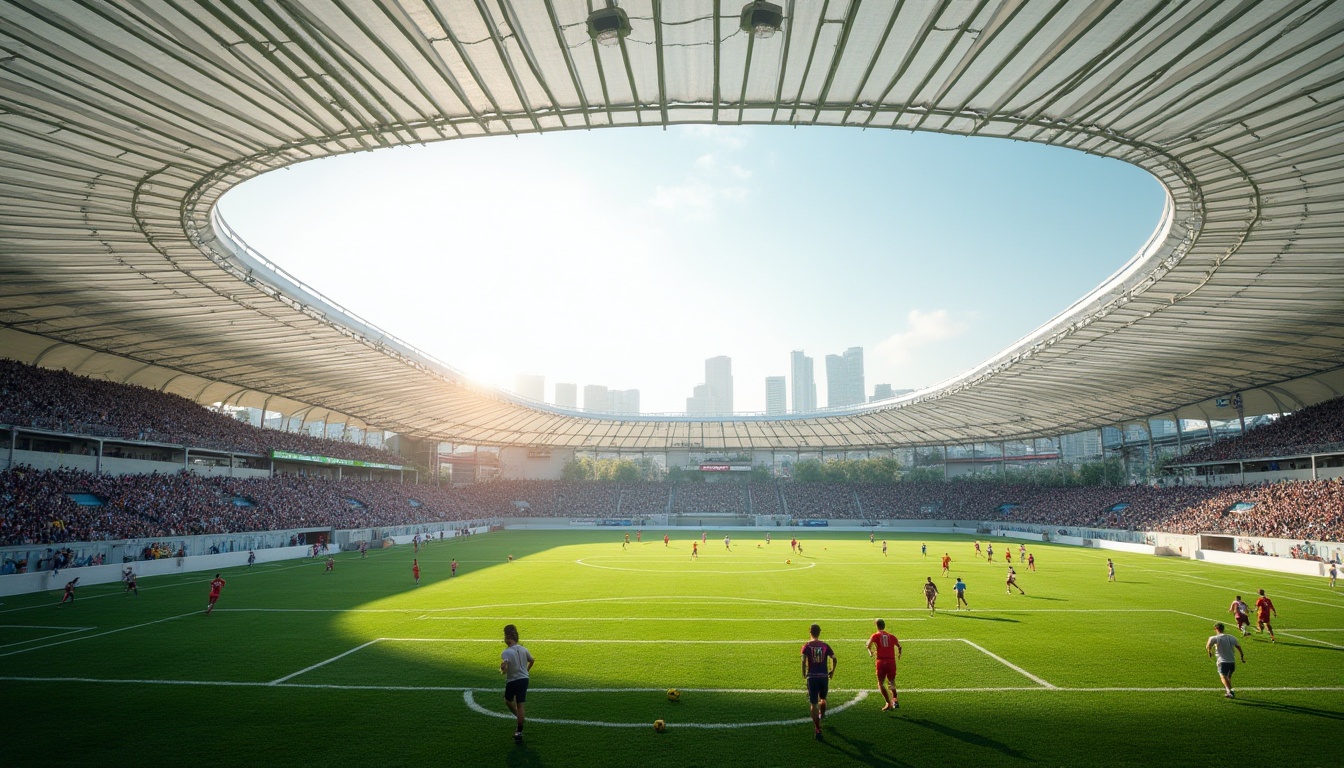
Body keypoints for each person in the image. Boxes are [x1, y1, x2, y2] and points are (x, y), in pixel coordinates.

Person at [801, 623, 836, 740]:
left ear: (809, 632)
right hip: (823, 676)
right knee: (823, 699)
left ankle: (817, 728)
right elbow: (834, 658)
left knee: (813, 703)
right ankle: (823, 715)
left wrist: (804, 672)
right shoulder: (825, 645)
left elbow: (803, 660)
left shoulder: (807, 646)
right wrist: (832, 671)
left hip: (812, 677)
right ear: (819, 632)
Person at [500, 624, 535, 742]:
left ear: (508, 638)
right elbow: (532, 660)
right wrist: (526, 671)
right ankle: (519, 731)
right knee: (520, 705)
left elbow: (505, 670)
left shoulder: (506, 653)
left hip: (513, 681)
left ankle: (518, 717)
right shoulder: (524, 649)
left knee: (507, 700)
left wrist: (503, 669)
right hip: (524, 679)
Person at [866, 619, 903, 711]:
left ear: (876, 625)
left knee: (881, 683)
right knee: (891, 682)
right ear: (884, 625)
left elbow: (869, 645)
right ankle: (895, 699)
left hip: (881, 662)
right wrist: (899, 655)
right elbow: (899, 646)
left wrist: (870, 650)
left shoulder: (875, 635)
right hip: (891, 662)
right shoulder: (891, 636)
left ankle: (888, 703)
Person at [1206, 622, 1246, 698]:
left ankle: (1229, 691)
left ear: (1216, 629)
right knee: (1228, 677)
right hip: (1232, 662)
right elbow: (1239, 647)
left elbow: (1208, 646)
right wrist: (1241, 656)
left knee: (1223, 677)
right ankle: (1228, 691)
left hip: (1222, 662)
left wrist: (1209, 652)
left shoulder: (1214, 638)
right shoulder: (1232, 637)